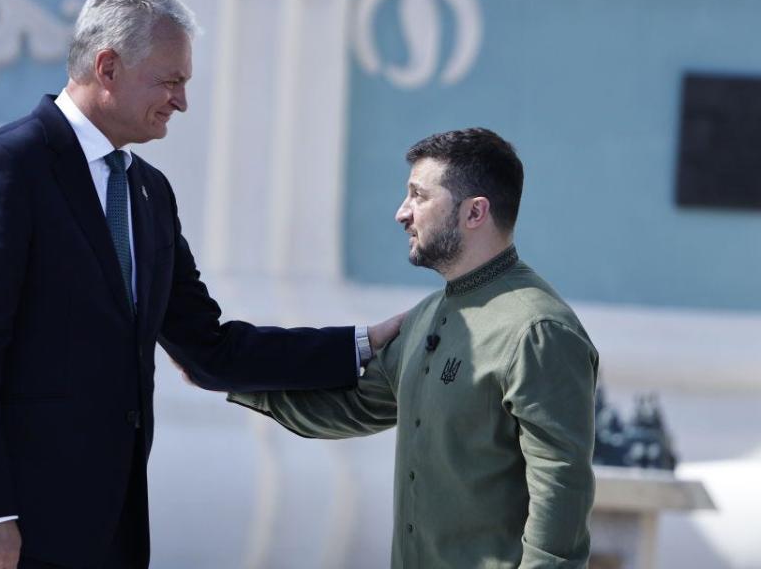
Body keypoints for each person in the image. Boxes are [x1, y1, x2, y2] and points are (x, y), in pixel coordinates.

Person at [0, 0, 401, 569]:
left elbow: (210, 350)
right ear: (108, 67)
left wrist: (359, 343)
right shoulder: (7, 168)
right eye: (171, 81)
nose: (182, 101)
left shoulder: (149, 192)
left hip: (112, 535)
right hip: (12, 537)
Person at [229, 128, 599, 568]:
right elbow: (347, 408)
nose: (401, 213)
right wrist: (222, 367)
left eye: (418, 196)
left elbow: (561, 489)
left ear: (475, 212)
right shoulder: (424, 318)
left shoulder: (537, 330)